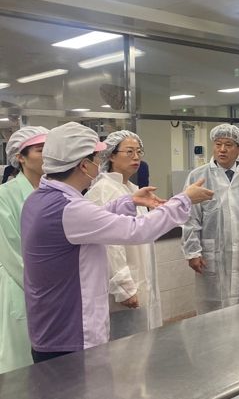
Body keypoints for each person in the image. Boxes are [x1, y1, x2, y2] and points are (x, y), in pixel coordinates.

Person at [21, 122, 213, 363]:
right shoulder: (67, 208)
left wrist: (128, 202)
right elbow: (137, 230)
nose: (98, 165)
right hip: (70, 334)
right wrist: (183, 200)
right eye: (96, 159)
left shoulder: (40, 199)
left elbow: (93, 219)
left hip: (51, 326)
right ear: (83, 165)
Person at [182, 123, 239, 314]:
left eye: (228, 145)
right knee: (212, 306)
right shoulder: (198, 176)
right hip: (213, 252)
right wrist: (192, 252)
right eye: (218, 144)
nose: (222, 149)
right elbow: (190, 218)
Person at [84, 131, 162, 340]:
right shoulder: (103, 190)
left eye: (139, 152)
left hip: (138, 277)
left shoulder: (131, 189)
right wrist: (123, 287)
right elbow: (109, 244)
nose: (136, 157)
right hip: (122, 287)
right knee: (124, 345)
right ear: (111, 155)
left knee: (142, 343)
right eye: (129, 152)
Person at [0, 126, 49, 374]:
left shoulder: (56, 193)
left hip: (54, 290)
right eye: (41, 150)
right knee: (21, 363)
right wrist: (44, 289)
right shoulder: (4, 195)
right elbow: (11, 251)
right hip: (21, 285)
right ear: (20, 157)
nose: (48, 155)